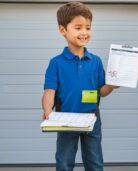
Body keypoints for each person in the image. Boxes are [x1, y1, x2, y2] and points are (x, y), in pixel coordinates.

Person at [42, 2, 118, 171]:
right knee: (64, 162)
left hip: (92, 119)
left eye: (88, 27)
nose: (84, 32)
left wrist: (111, 86)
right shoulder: (56, 63)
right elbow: (49, 91)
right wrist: (48, 109)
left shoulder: (96, 61)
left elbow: (102, 92)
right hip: (65, 119)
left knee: (95, 161)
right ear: (63, 30)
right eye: (78, 27)